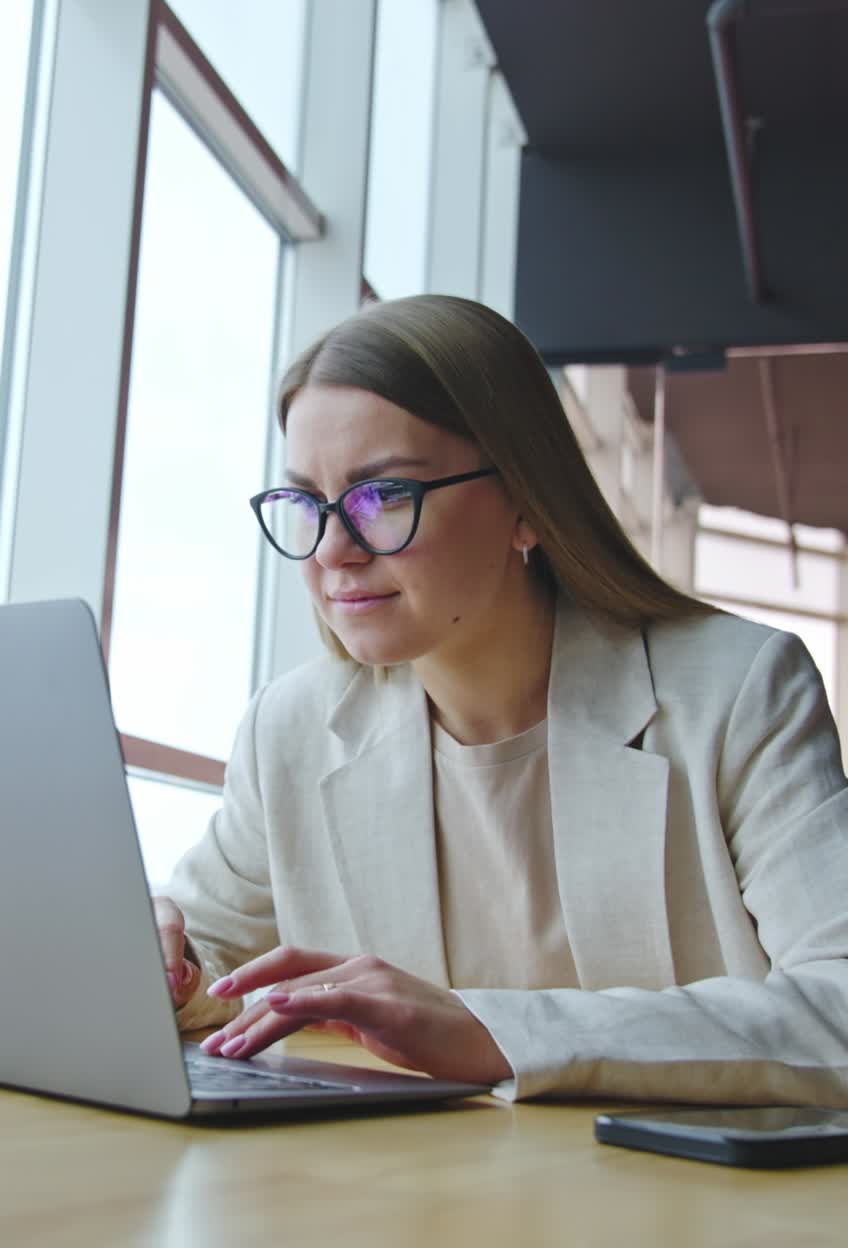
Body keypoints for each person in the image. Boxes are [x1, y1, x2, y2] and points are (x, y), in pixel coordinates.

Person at [153, 294, 848, 1104]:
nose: (334, 550)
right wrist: (164, 963)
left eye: (383, 498)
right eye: (307, 503)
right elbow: (211, 969)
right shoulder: (293, 730)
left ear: (525, 502)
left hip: (688, 1209)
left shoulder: (738, 692)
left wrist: (493, 1032)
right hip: (409, 1207)